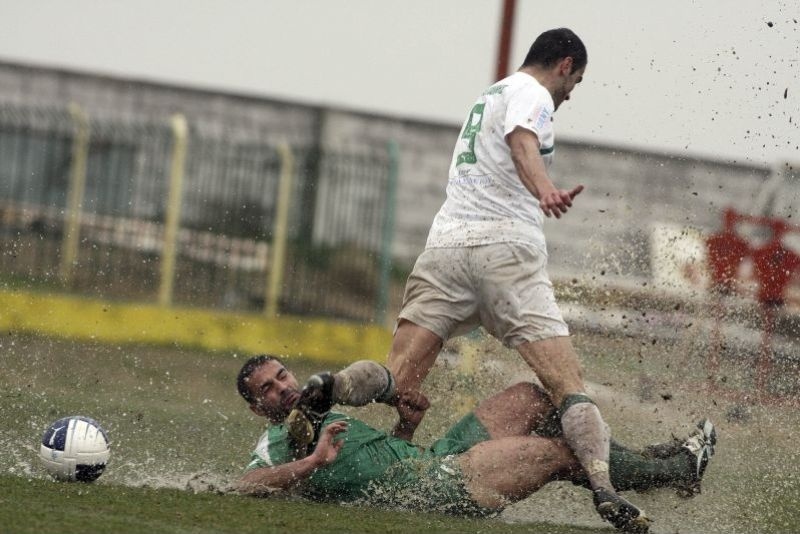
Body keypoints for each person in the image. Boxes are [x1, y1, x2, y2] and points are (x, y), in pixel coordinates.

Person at [296, 27, 647, 531]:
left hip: (445, 250)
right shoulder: (533, 94)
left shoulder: (490, 95)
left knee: (397, 379)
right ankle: (606, 491)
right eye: (577, 81)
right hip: (504, 251)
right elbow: (523, 142)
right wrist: (545, 190)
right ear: (565, 65)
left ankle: (331, 386)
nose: (572, 93)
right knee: (566, 387)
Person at [236, 354, 716, 530]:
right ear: (258, 408)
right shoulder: (278, 440)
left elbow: (372, 468)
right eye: (268, 390)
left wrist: (405, 427)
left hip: (430, 459)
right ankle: (671, 471)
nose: (282, 388)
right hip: (435, 488)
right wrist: (314, 462)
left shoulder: (324, 409)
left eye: (282, 376)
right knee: (561, 455)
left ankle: (641, 461)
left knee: (534, 397)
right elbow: (245, 485)